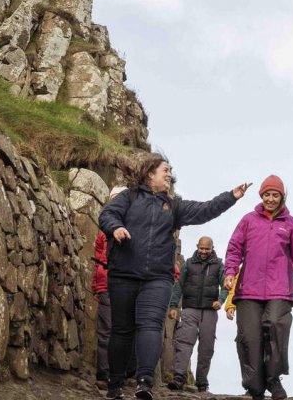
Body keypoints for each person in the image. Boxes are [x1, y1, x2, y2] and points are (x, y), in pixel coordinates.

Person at [98, 155, 251, 400]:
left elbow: (205, 210)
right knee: (122, 330)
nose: (169, 174)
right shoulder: (128, 197)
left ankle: (144, 382)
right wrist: (115, 227)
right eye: (165, 170)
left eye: (170, 171)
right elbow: (107, 215)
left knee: (150, 325)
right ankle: (115, 384)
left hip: (157, 278)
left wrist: (230, 196)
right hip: (123, 274)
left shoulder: (174, 206)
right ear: (149, 173)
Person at [224, 175, 293, 400]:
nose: (271, 199)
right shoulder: (248, 220)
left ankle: (274, 380)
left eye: (275, 195)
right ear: (261, 196)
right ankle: (254, 386)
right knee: (249, 337)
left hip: (280, 289)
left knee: (276, 327)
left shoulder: (292, 225)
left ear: (282, 197)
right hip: (248, 290)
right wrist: (230, 272)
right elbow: (234, 248)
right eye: (267, 195)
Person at [166, 236, 227, 392]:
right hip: (190, 309)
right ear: (197, 246)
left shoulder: (219, 265)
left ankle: (201, 381)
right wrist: (173, 306)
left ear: (212, 248)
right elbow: (179, 286)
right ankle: (179, 377)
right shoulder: (188, 264)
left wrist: (220, 300)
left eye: (207, 249)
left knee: (206, 347)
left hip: (209, 311)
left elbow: (225, 286)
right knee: (184, 342)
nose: (204, 252)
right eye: (201, 248)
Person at [94, 186, 131, 388]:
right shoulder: (104, 230)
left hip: (127, 283)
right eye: (114, 198)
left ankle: (121, 373)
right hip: (107, 283)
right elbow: (98, 259)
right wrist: (96, 285)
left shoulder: (136, 224)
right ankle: (104, 373)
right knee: (106, 329)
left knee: (125, 329)